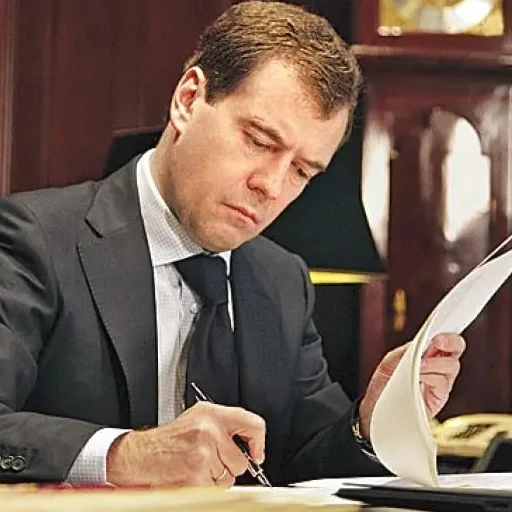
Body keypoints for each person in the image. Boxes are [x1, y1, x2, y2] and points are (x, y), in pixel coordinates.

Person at [0, 1, 464, 488]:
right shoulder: (34, 238)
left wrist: (372, 423)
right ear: (188, 100)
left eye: (302, 171)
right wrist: (127, 455)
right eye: (259, 142)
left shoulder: (282, 279)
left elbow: (308, 463)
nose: (272, 186)